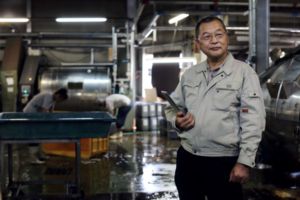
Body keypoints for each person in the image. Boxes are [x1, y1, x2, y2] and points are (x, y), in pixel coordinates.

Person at [164, 16, 266, 200]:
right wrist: (177, 120)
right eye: (207, 36)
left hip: (223, 162)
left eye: (219, 34)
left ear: (227, 38)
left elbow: (253, 121)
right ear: (198, 43)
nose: (214, 40)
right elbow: (171, 107)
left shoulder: (244, 74)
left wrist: (245, 162)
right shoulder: (190, 75)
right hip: (188, 159)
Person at [23, 88, 68, 164]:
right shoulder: (48, 96)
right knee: (33, 135)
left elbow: (50, 111)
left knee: (39, 135)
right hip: (30, 114)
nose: (59, 101)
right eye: (60, 99)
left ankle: (39, 154)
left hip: (35, 116)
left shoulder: (53, 99)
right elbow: (44, 110)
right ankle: (32, 158)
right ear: (58, 95)